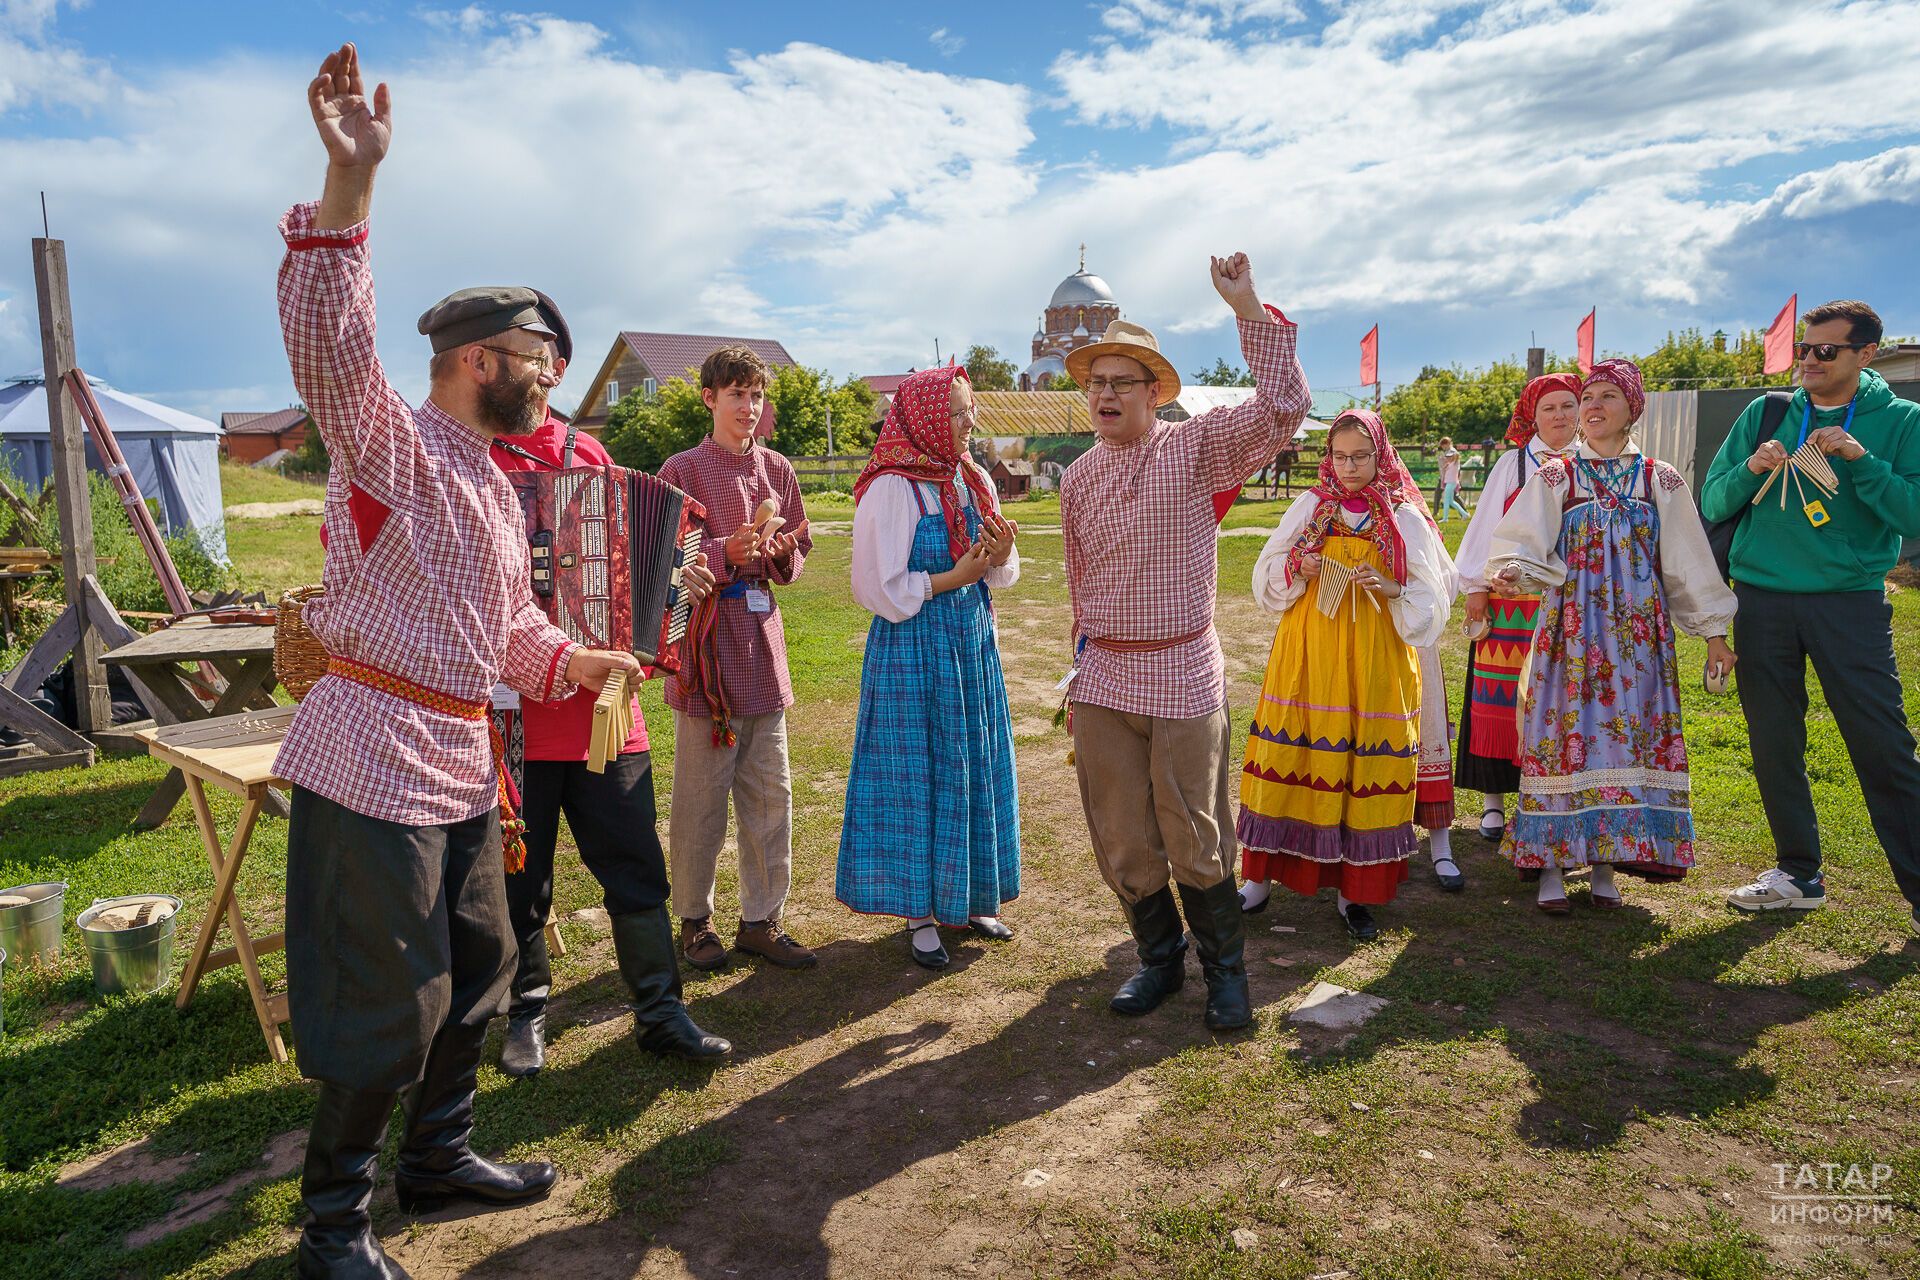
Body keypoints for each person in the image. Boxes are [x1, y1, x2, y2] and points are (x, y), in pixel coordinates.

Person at [275, 44, 640, 1278]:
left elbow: (505, 633)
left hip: (461, 756)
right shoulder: (399, 448)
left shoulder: (491, 482)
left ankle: (436, 1163)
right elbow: (330, 352)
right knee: (386, 1005)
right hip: (372, 756)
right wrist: (352, 192)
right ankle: (334, 1224)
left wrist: (576, 658)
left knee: (479, 968)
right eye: (538, 361)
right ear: (482, 360)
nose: (551, 380)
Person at [1061, 252, 1310, 1032]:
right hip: (1104, 678)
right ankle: (1159, 964)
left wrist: (1247, 309)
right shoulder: (1075, 479)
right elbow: (1078, 581)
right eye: (1095, 381)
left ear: (1154, 392)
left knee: (1194, 834)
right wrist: (1076, 670)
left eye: (1120, 381)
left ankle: (1226, 975)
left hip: (1180, 669)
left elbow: (1283, 408)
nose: (1104, 393)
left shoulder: (1195, 449)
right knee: (1125, 840)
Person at [486, 314, 732, 1075]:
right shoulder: (469, 459)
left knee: (633, 866)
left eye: (535, 356)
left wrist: (674, 594)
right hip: (513, 712)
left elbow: (634, 568)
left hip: (604, 713)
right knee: (522, 872)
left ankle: (660, 1013)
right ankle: (527, 1012)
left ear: (555, 368)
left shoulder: (586, 453)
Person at [1699, 300, 1920, 934]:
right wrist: (1753, 468)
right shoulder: (1768, 412)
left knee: (1883, 746)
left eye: (1826, 351)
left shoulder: (1900, 421)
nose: (1810, 361)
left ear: (1865, 355)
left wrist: (1861, 461)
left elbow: (1914, 515)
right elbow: (1713, 499)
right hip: (1762, 600)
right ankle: (1798, 874)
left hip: (1848, 602)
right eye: (1805, 349)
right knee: (1774, 742)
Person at [1488, 359, 1737, 913]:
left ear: (1633, 408)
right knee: (1563, 739)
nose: (1592, 406)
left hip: (1638, 638)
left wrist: (1714, 632)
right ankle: (1551, 864)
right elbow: (1522, 542)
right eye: (1587, 397)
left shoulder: (1659, 478)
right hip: (1572, 633)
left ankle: (1605, 862)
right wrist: (1513, 571)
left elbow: (1688, 562)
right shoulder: (1557, 475)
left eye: (1606, 396)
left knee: (1626, 739)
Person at [1235, 411, 1452, 938]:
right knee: (1295, 753)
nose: (1350, 467)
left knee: (1363, 766)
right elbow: (1266, 572)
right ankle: (1260, 878)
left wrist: (1394, 588)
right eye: (1340, 456)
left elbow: (1437, 592)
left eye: (1361, 456)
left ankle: (1356, 893)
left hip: (1377, 658)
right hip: (1309, 652)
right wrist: (1299, 568)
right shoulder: (1311, 507)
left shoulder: (1403, 518)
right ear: (1327, 457)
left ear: (1381, 455)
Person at [836, 365, 1022, 968]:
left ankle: (969, 896)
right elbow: (875, 588)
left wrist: (999, 557)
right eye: (957, 412)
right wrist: (953, 578)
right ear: (922, 418)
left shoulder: (971, 478)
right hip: (912, 650)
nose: (969, 423)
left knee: (971, 762)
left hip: (969, 645)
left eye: (969, 411)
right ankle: (919, 913)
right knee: (918, 770)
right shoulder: (894, 488)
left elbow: (996, 572)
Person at [660, 346, 819, 972]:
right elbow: (662, 562)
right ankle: (695, 921)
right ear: (710, 399)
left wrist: (779, 553)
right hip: (705, 650)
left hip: (762, 648)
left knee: (769, 794)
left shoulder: (778, 468)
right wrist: (722, 552)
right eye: (736, 396)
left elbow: (800, 543)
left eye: (755, 396)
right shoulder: (682, 470)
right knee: (701, 800)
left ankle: (762, 918)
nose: (748, 408)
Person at [1452, 374, 1582, 844]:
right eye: (1550, 408)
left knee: (1556, 699)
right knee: (1500, 699)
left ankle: (1546, 795)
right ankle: (1493, 803)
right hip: (1510, 602)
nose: (1561, 416)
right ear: (1532, 416)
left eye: (1569, 405)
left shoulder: (1592, 464)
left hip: (1568, 601)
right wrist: (1475, 590)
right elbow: (1487, 526)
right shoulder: (1514, 465)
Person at [1436, 437, 1471, 520]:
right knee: (1451, 501)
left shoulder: (1454, 459)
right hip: (1449, 481)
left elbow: (1455, 455)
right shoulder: (1449, 463)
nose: (1447, 457)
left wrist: (1447, 459)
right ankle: (1465, 514)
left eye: (1449, 456)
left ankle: (1445, 518)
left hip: (1451, 482)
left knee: (1446, 501)